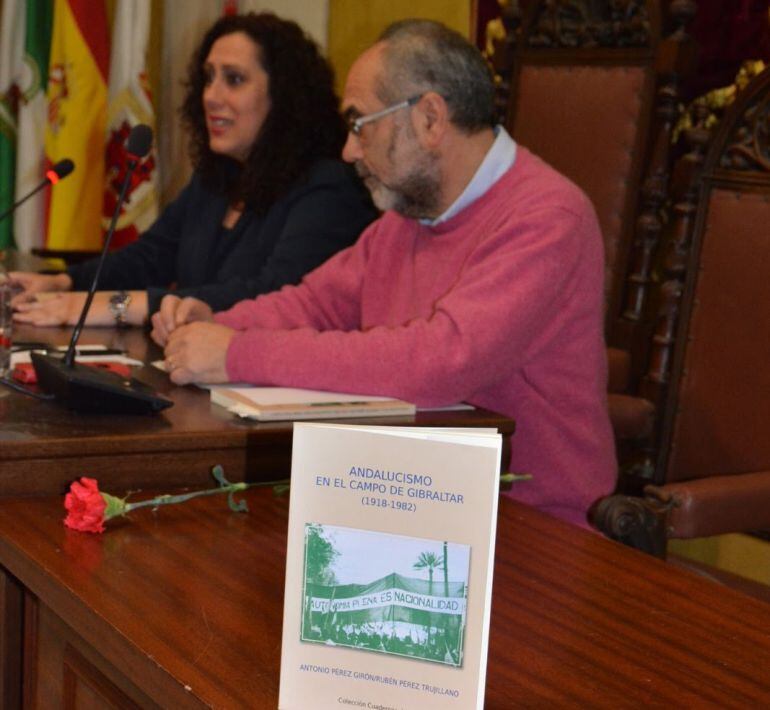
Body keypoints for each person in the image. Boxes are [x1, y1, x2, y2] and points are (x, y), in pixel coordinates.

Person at [151, 19, 616, 526]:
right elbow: (315, 303)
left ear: (430, 119)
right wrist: (217, 320)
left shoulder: (547, 217)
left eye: (359, 123)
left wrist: (238, 352)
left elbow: (438, 362)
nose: (349, 150)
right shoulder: (406, 218)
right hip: (411, 500)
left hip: (529, 523)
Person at [11, 12, 375, 328]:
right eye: (208, 77)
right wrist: (61, 283)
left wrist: (116, 306)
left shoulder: (329, 188)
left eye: (233, 79)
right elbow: (150, 257)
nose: (210, 96)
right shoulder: (218, 179)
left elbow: (273, 295)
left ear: (284, 96)